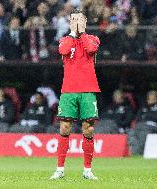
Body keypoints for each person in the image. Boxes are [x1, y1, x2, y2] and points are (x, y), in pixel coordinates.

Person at [50, 9, 100, 180]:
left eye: (79, 19)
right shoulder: (65, 39)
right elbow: (63, 51)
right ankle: (60, 169)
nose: (76, 22)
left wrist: (82, 32)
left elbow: (91, 49)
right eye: (73, 20)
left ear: (85, 21)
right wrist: (73, 33)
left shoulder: (93, 38)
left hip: (88, 91)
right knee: (64, 128)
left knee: (88, 130)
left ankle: (87, 170)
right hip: (69, 91)